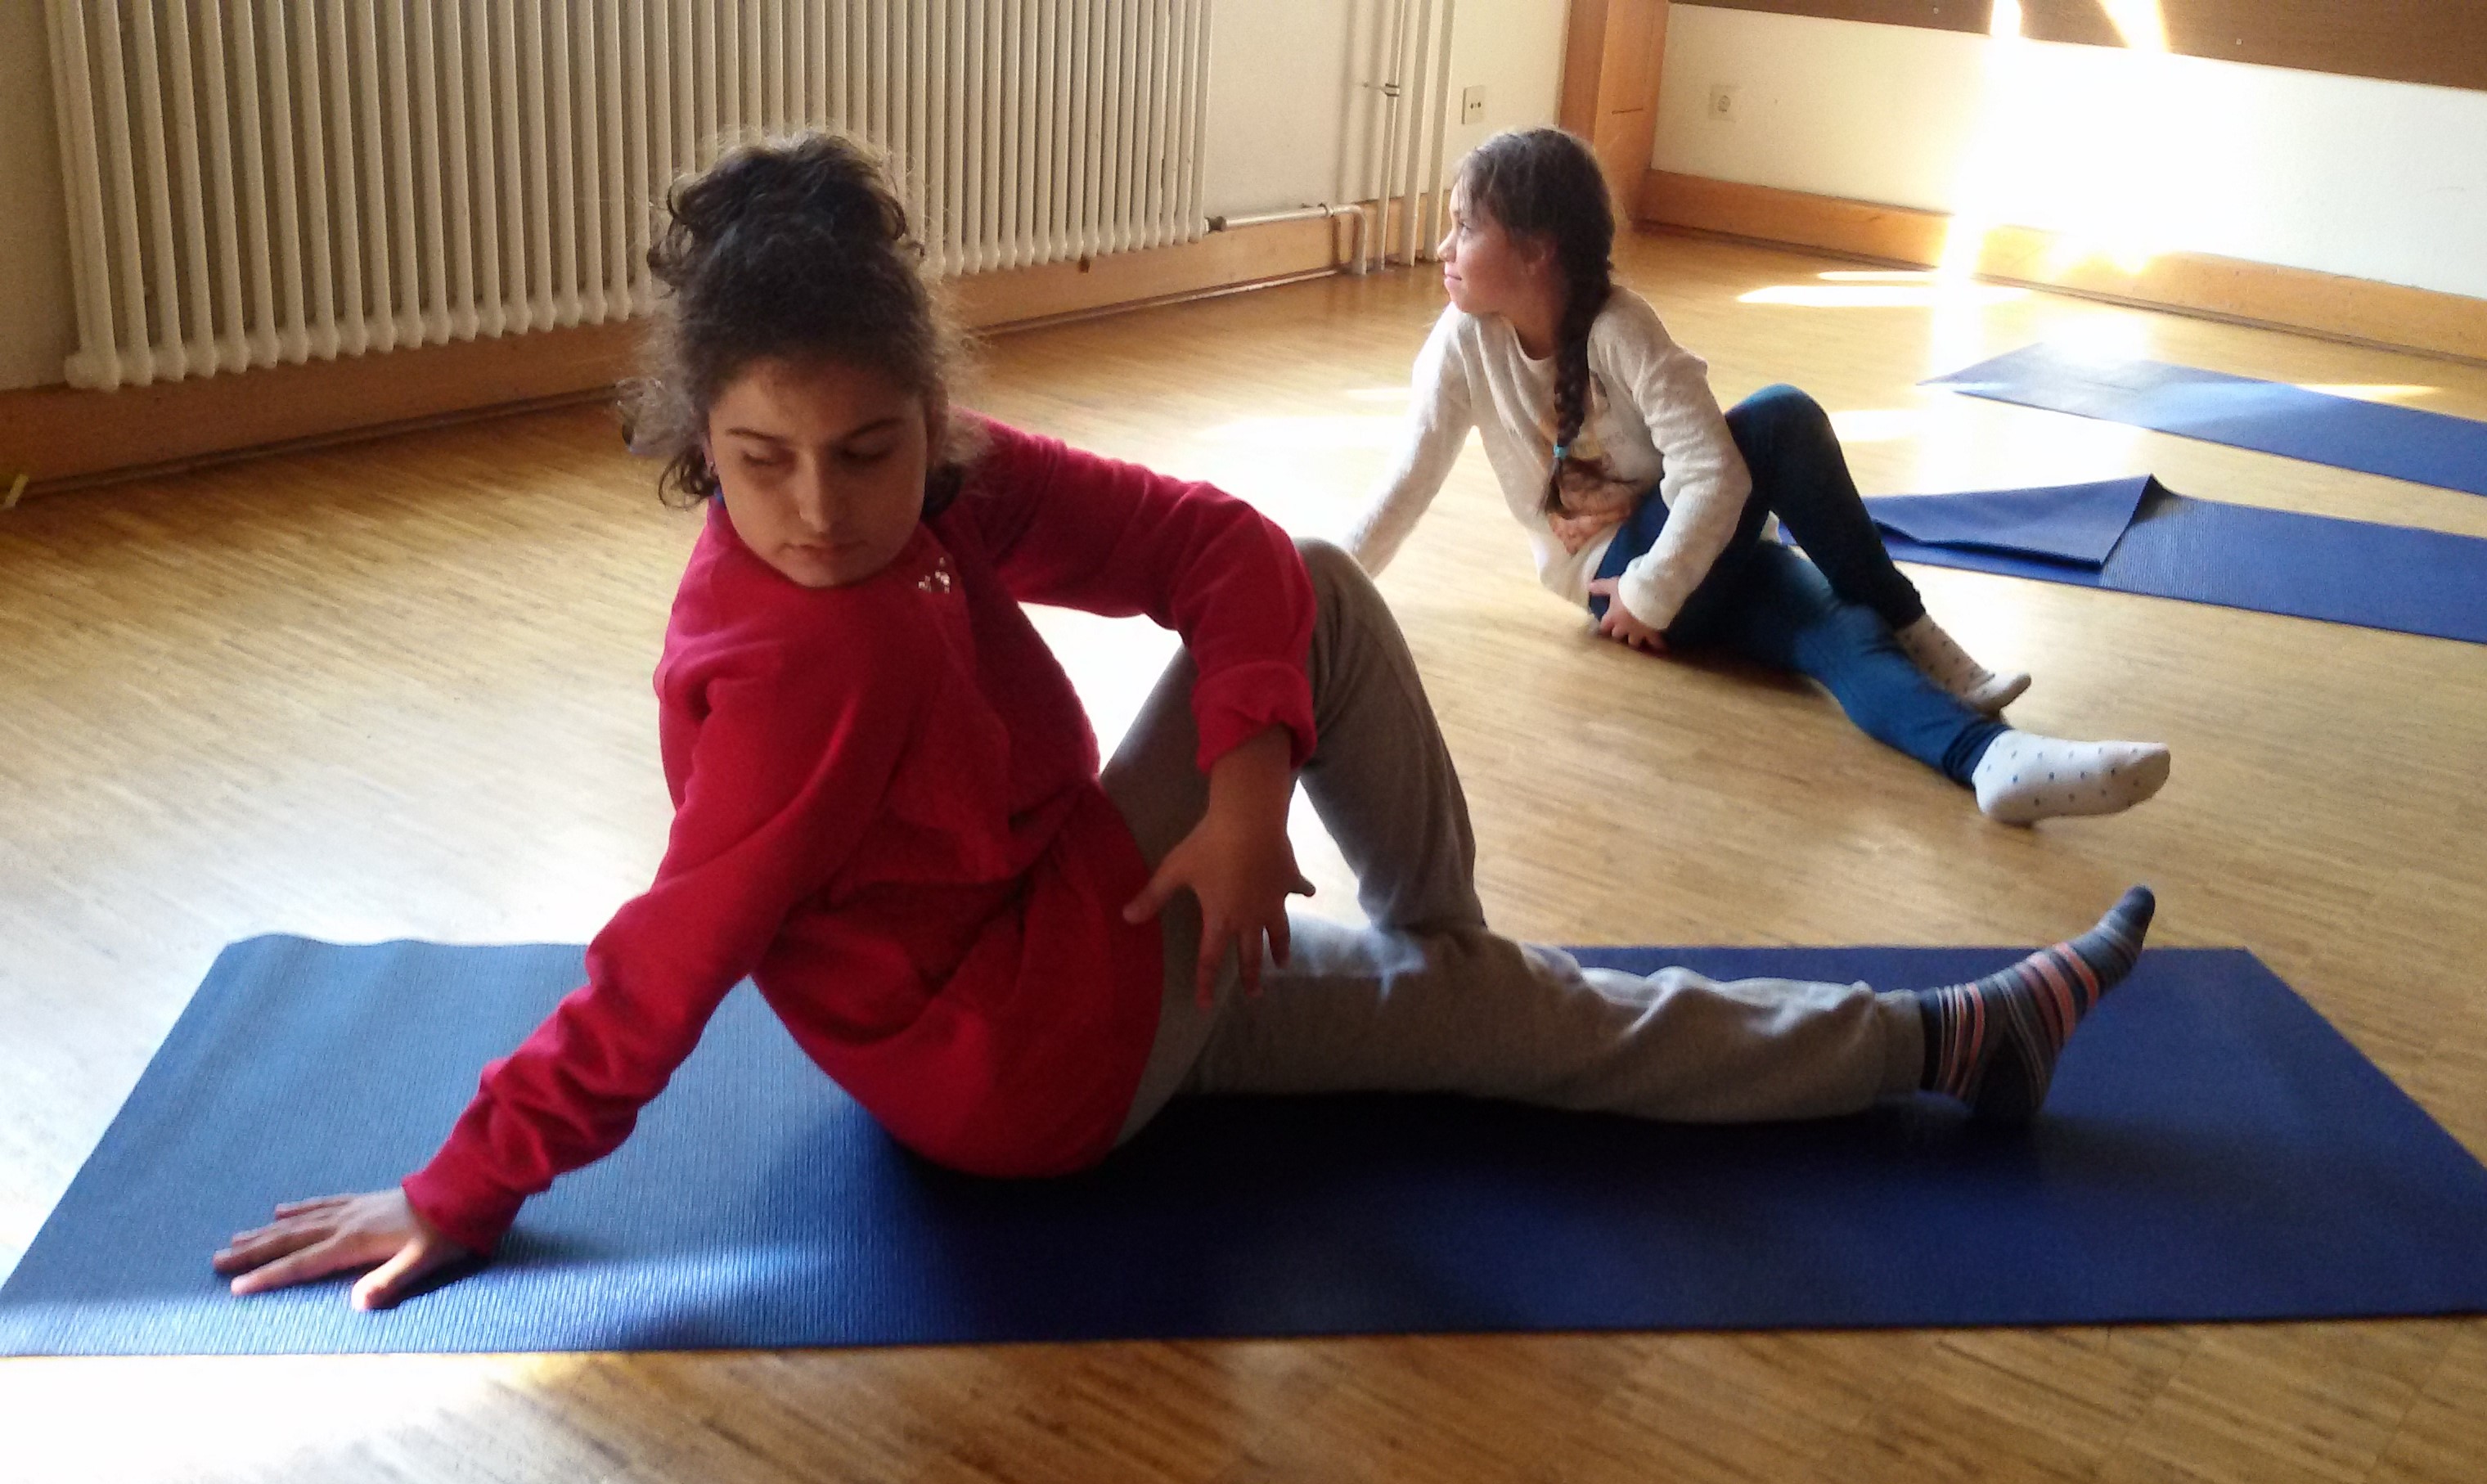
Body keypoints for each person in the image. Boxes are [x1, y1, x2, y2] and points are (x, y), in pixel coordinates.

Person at [212, 133, 2158, 1311]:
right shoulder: (807, 663)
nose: (818, 508)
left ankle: (1846, 1027)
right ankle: (1843, 1028)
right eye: (758, 461)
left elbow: (1210, 549)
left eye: (868, 450)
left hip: (1072, 944)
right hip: (1030, 1057)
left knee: (1301, 601)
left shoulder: (947, 489)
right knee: (1470, 936)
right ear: (693, 437)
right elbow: (663, 963)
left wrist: (1236, 810)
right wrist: (460, 1188)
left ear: (930, 411)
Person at [1347, 127, 2171, 825]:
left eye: (1466, 227)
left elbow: (1712, 479)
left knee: (1841, 631)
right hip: (1622, 583)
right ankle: (1913, 622)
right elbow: (1406, 481)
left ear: (1537, 251)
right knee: (1781, 419)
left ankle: (1991, 759)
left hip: (1683, 566)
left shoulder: (1622, 329)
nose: (1445, 248)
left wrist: (1657, 588)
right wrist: (1319, 586)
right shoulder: (1462, 344)